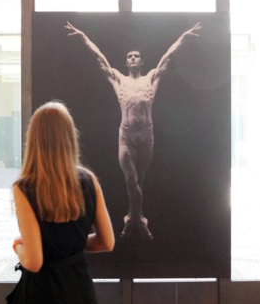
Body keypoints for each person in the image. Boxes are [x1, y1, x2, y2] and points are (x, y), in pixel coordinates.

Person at [0, 101, 114, 304]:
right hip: (77, 296)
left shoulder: (25, 187)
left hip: (39, 302)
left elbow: (34, 260)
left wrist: (17, 246)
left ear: (34, 140)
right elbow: (106, 242)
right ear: (69, 138)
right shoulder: (88, 181)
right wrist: (71, 244)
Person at [65, 21, 202, 240]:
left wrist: (184, 36)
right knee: (131, 180)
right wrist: (82, 36)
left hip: (147, 136)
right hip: (126, 137)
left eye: (136, 56)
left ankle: (132, 217)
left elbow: (168, 56)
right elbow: (99, 57)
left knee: (140, 180)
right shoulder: (118, 79)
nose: (132, 58)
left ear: (141, 61)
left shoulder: (151, 78)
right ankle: (137, 219)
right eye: (129, 56)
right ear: (126, 62)